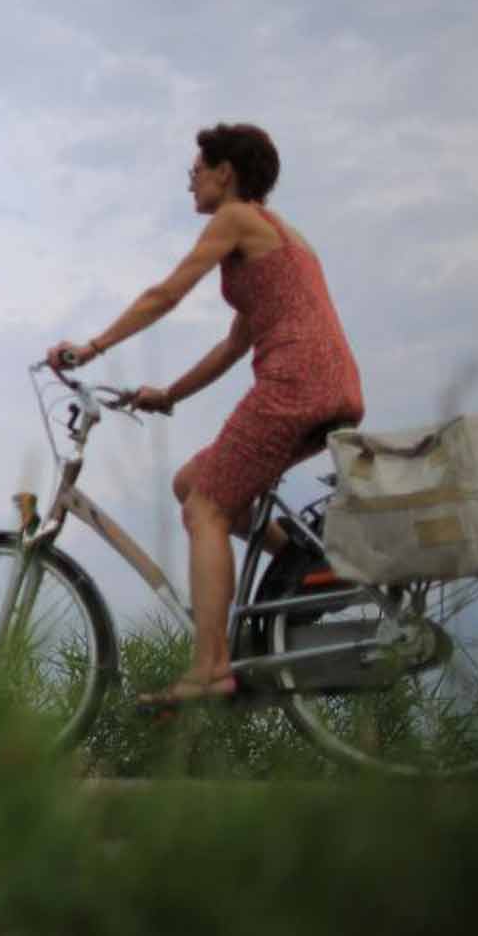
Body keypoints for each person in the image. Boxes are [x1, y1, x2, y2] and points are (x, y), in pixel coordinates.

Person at [49, 122, 363, 708]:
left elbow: (165, 294)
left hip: (296, 383)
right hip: (331, 385)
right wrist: (170, 394)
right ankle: (304, 569)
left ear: (226, 173)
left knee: (206, 507)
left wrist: (91, 348)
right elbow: (232, 345)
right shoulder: (278, 239)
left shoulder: (238, 219)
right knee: (192, 482)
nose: (190, 178)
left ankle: (210, 669)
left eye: (198, 167)